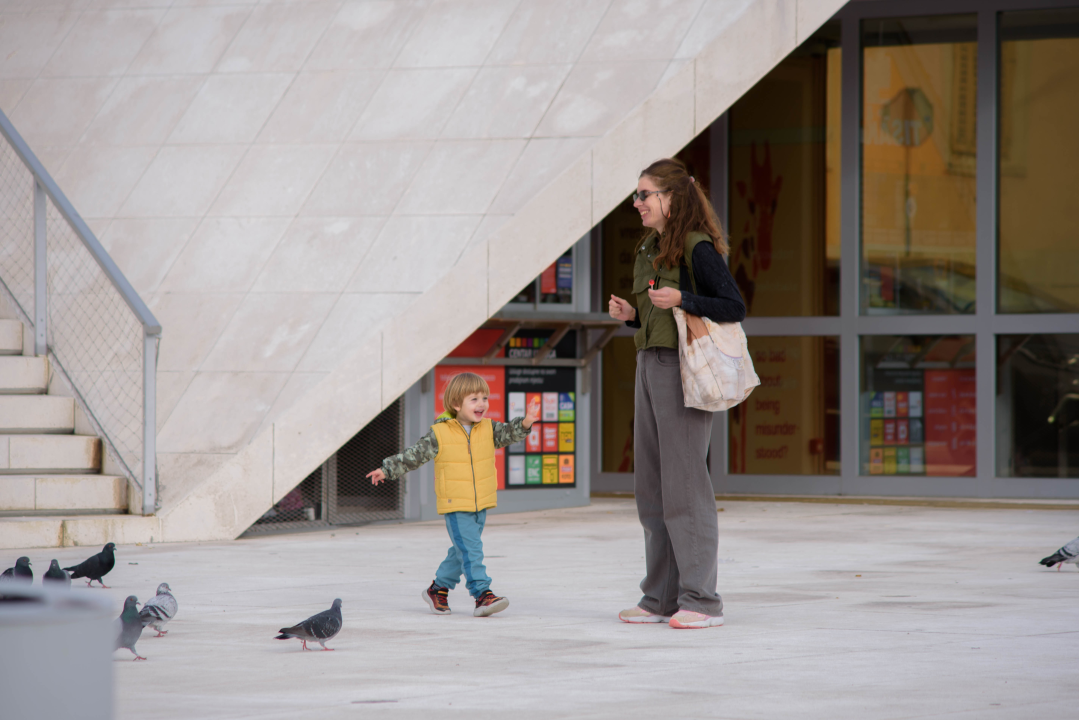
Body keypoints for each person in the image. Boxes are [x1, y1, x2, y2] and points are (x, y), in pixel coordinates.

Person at [608, 158, 746, 629]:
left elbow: (733, 305)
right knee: (652, 487)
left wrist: (684, 299)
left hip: (681, 370)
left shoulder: (695, 246)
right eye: (637, 194)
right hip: (649, 363)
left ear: (671, 197)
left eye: (645, 194)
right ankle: (661, 597)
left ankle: (701, 600)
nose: (637, 203)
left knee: (685, 486)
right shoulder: (650, 246)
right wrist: (632, 315)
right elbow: (656, 311)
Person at [367, 372, 541, 617]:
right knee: (471, 550)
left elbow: (509, 433)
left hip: (481, 502)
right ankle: (482, 595)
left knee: (462, 551)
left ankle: (437, 589)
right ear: (456, 404)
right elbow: (413, 455)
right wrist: (387, 469)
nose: (482, 404)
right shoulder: (440, 433)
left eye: (484, 398)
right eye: (474, 399)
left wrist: (526, 422)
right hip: (456, 502)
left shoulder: (488, 428)